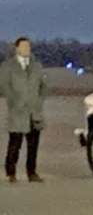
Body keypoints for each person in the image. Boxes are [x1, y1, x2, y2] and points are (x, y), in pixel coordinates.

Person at [0, 38, 46, 184]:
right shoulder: (8, 66)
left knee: (33, 145)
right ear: (17, 48)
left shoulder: (37, 66)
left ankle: (31, 172)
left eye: (28, 46)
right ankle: (11, 172)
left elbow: (44, 86)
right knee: (15, 144)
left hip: (34, 112)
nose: (27, 49)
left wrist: (38, 101)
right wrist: (14, 101)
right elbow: (4, 86)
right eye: (23, 46)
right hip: (17, 111)